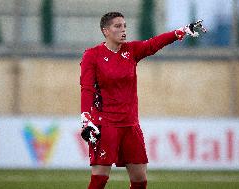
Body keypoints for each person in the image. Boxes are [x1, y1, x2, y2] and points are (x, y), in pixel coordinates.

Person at [80, 12, 206, 189]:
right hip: (106, 124)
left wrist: (181, 31)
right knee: (99, 178)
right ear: (105, 31)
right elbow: (87, 89)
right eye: (117, 26)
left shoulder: (131, 51)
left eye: (124, 25)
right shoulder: (92, 55)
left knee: (140, 179)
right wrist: (86, 119)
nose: (123, 30)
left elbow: (153, 43)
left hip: (130, 125)